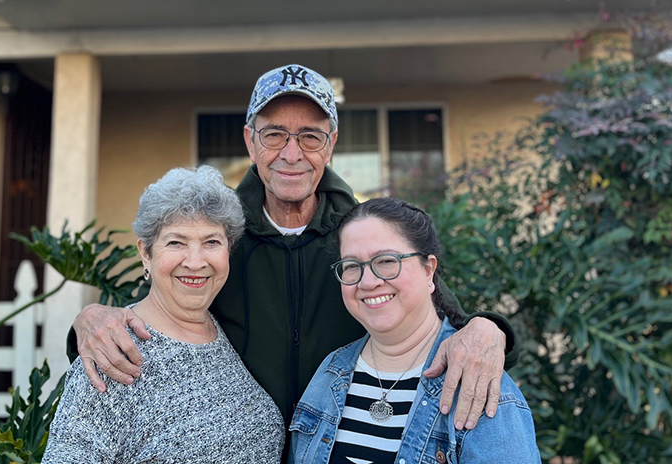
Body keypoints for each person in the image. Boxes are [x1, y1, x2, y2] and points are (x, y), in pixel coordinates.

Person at [69, 64, 516, 433]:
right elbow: (147, 306)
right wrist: (90, 319)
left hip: (339, 445)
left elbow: (443, 313)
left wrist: (488, 330)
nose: (291, 153)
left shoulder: (359, 238)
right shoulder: (217, 236)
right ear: (250, 141)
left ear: (331, 144)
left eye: (310, 136)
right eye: (274, 135)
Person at [43, 167, 285, 463]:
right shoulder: (112, 353)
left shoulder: (224, 328)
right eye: (176, 242)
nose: (195, 262)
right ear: (146, 252)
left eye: (211, 242)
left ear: (229, 251)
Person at [290, 197, 539, 463]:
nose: (368, 281)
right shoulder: (331, 372)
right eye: (352, 266)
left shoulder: (477, 382)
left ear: (429, 270)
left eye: (386, 261)